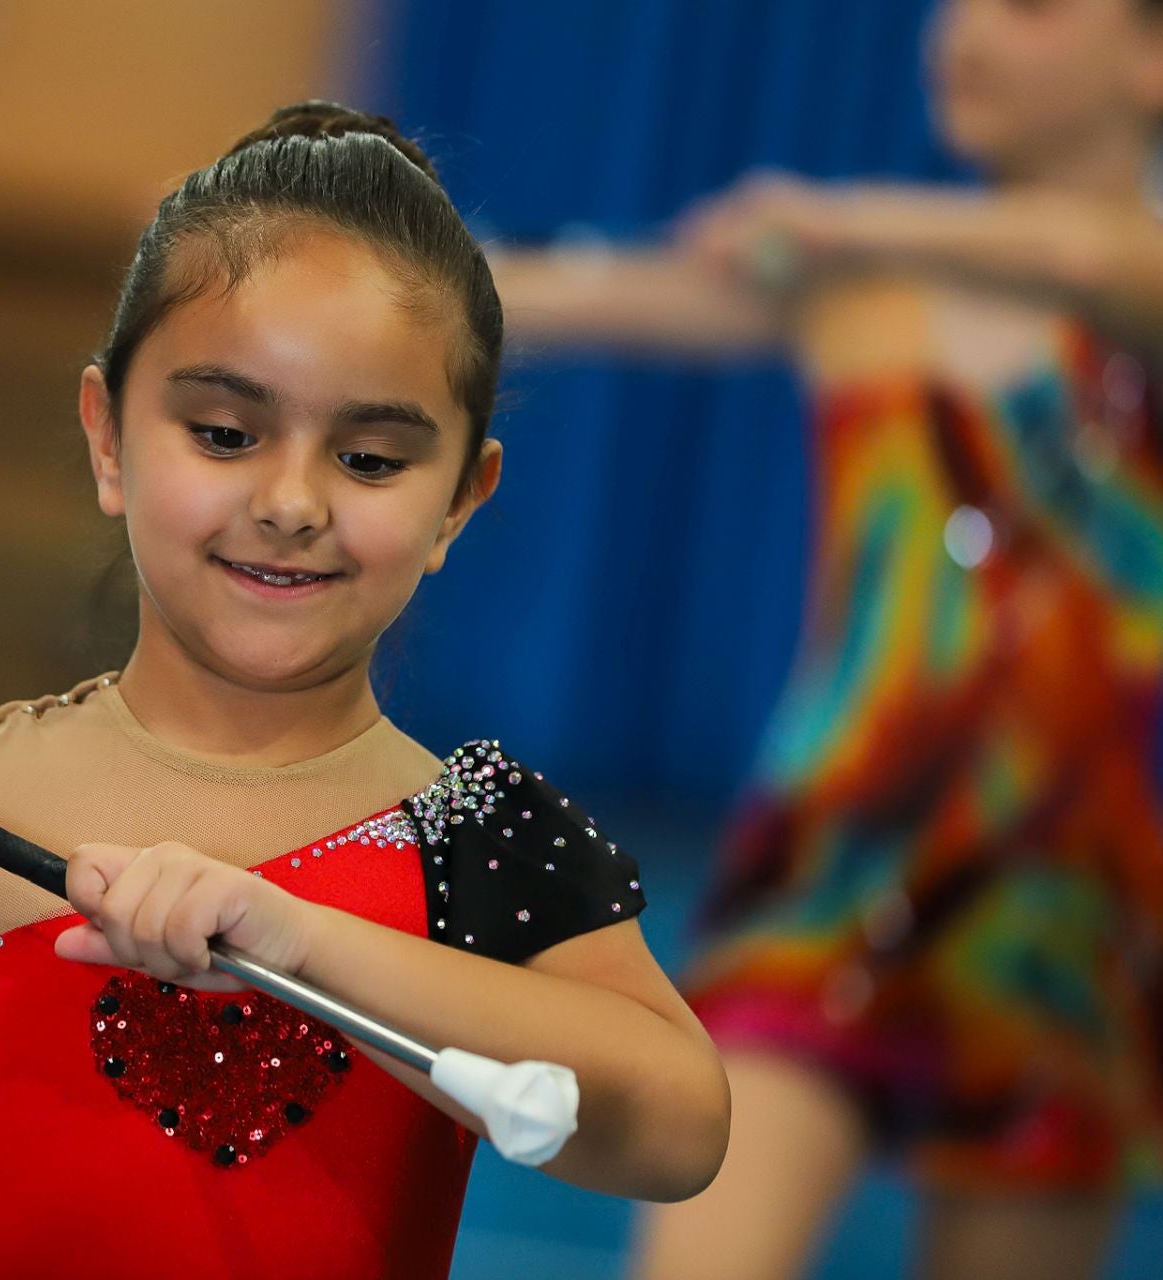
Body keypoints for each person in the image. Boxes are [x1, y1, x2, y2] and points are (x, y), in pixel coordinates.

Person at [0, 102, 730, 1278]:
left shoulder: (483, 840)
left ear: (460, 498)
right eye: (227, 432)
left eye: (373, 459)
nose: (293, 500)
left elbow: (679, 1124)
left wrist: (302, 942)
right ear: (107, 438)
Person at [488, 2, 1163, 1276]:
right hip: (831, 870)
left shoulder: (1093, 277)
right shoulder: (854, 287)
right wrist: (288, 247)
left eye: (1025, 6)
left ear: (1151, 59)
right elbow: (565, 292)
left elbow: (1087, 259)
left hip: (1068, 924)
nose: (961, 31)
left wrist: (832, 218)